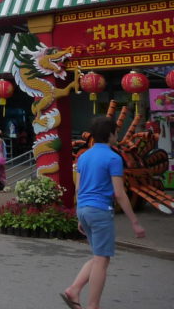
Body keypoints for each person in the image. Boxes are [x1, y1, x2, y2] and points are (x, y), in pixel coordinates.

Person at [61, 116, 146, 309]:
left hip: (84, 209)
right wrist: (134, 221)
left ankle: (74, 289)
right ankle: (93, 306)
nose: (118, 135)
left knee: (99, 256)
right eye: (116, 132)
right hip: (99, 211)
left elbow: (78, 188)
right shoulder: (113, 158)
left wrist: (79, 214)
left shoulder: (84, 156)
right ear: (110, 135)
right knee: (101, 260)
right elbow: (119, 193)